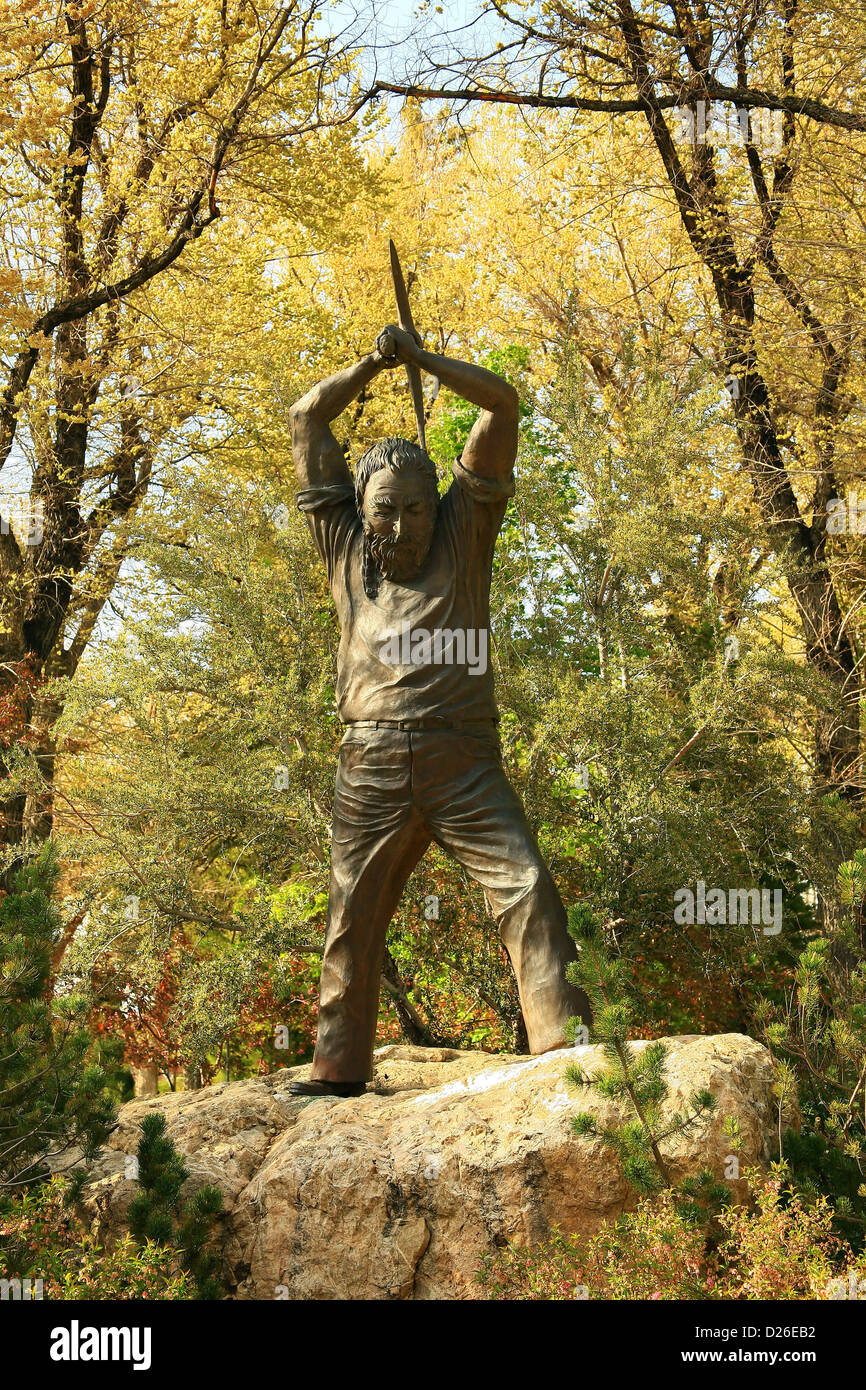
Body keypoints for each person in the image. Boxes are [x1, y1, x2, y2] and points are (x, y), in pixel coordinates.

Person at [287, 324, 590, 1097]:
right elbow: (306, 420)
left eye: (417, 510)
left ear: (437, 507)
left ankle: (569, 1052)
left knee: (528, 891)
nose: (402, 526)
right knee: (351, 921)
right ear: (360, 508)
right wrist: (372, 362)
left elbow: (502, 403)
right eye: (386, 511)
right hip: (372, 762)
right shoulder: (340, 546)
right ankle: (338, 1066)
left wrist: (423, 360)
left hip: (464, 763)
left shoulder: (466, 528)